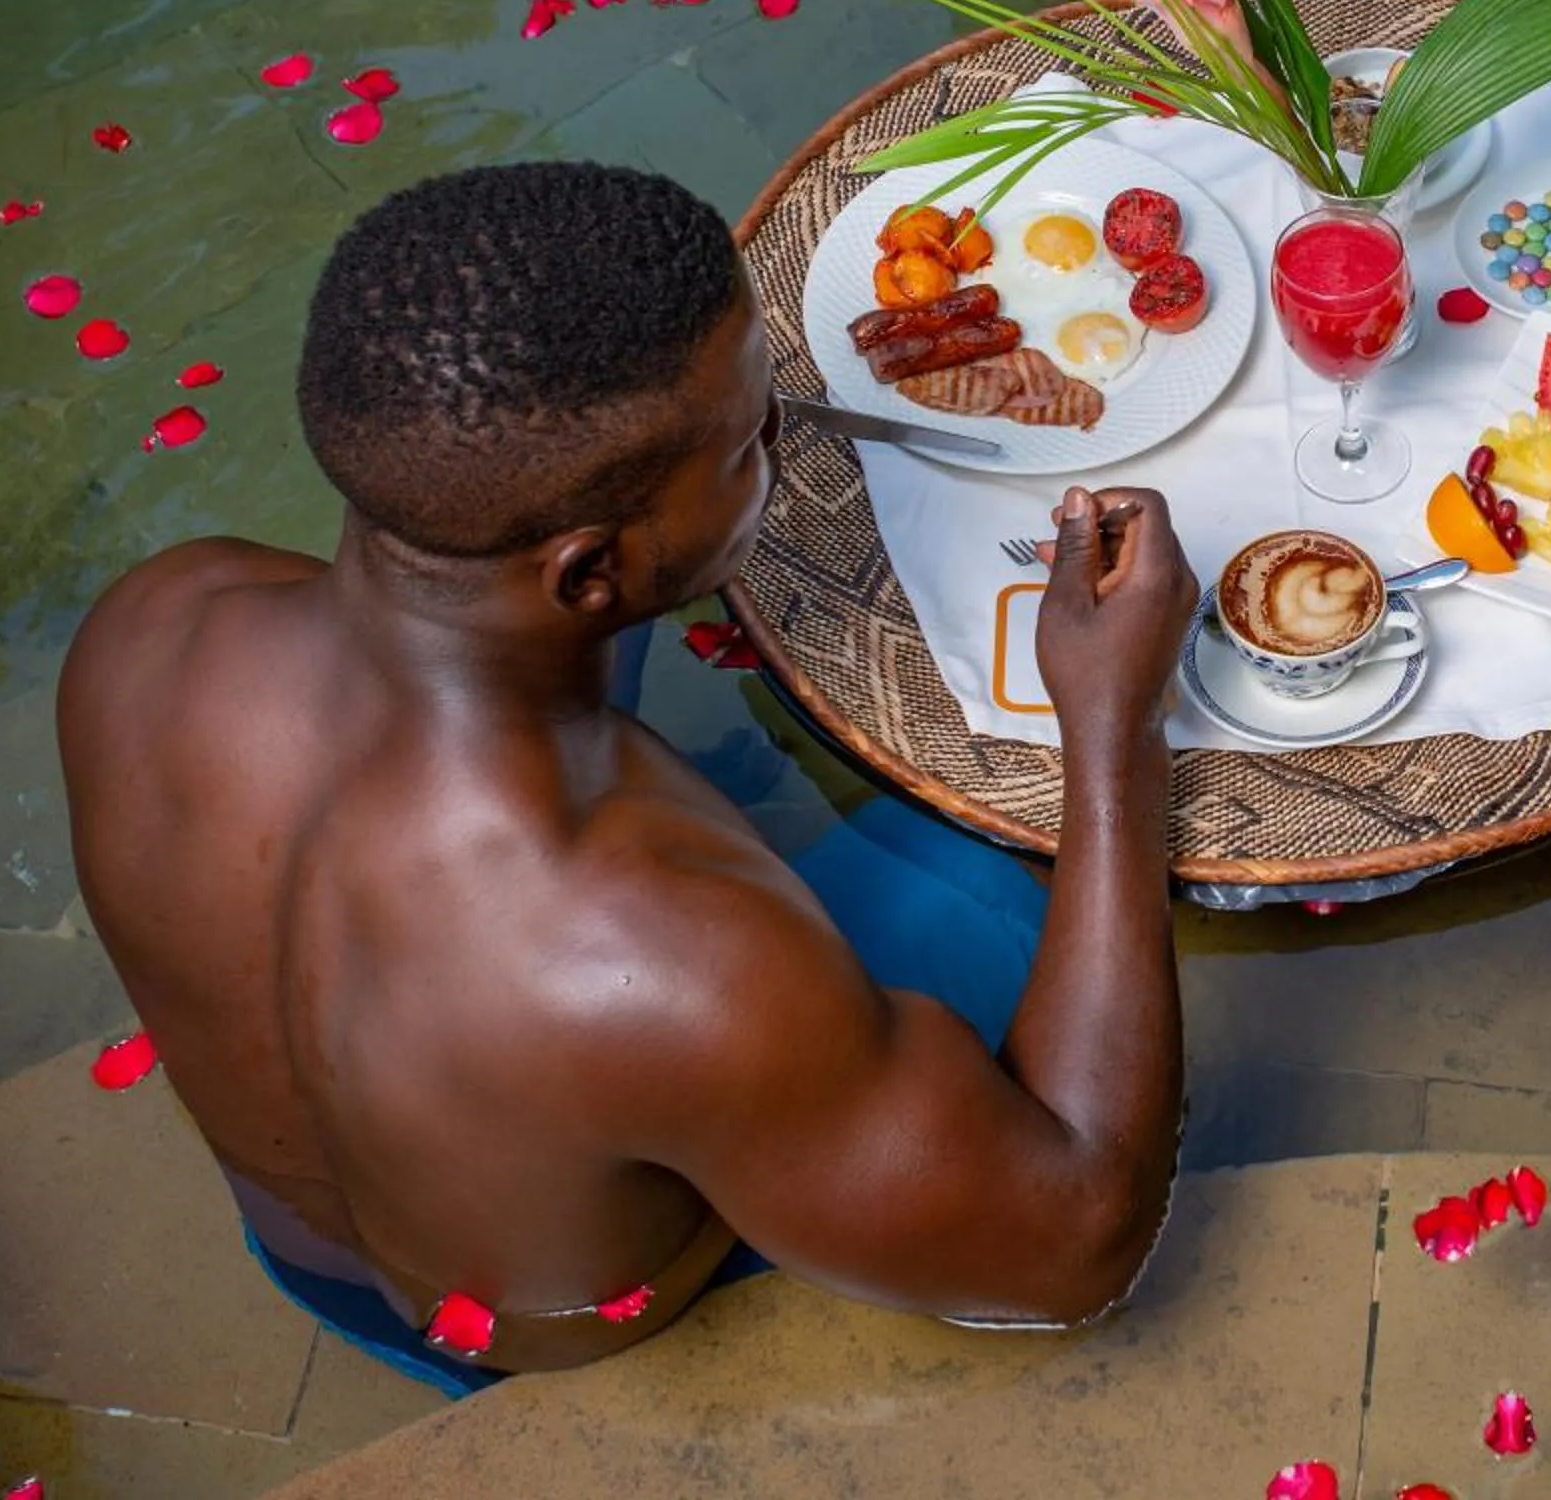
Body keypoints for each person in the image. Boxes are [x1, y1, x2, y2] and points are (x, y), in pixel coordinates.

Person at [60, 162, 1199, 1395]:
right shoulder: (668, 964)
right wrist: (1113, 721)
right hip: (568, 1319)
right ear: (589, 570)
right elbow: (1081, 1241)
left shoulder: (156, 620)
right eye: (751, 440)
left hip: (322, 1234)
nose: (781, 439)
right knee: (993, 883)